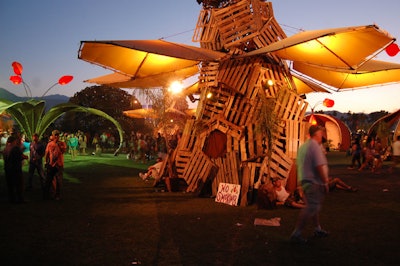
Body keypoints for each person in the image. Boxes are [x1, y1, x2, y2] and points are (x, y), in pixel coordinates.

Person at [290, 125, 330, 244]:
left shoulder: (303, 147)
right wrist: (325, 182)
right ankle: (296, 234)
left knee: (313, 206)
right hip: (313, 181)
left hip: (304, 180)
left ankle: (317, 228)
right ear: (316, 135)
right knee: (311, 207)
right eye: (320, 134)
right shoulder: (315, 146)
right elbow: (318, 166)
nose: (322, 136)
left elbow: (300, 164)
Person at [3, 135, 28, 203]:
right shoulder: (15, 148)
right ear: (14, 141)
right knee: (18, 184)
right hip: (15, 169)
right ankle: (20, 199)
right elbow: (21, 156)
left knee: (10, 185)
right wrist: (26, 157)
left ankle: (12, 199)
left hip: (7, 169)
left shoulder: (6, 148)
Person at [44, 130, 66, 200]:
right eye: (55, 135)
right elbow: (47, 153)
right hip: (51, 165)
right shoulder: (49, 144)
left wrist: (58, 144)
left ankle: (57, 195)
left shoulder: (62, 143)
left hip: (59, 165)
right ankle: (47, 194)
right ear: (52, 136)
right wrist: (45, 161)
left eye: (57, 135)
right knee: (48, 180)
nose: (56, 136)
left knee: (59, 181)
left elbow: (63, 151)